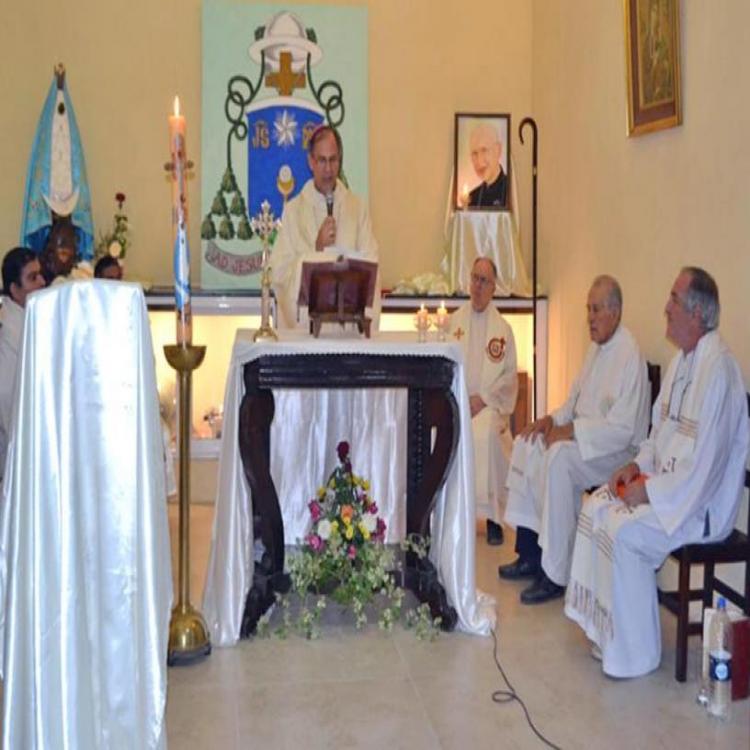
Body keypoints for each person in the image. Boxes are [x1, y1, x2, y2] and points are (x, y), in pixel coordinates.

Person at [565, 268, 749, 678]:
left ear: (697, 314)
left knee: (626, 532)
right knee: (598, 507)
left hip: (700, 507)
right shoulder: (684, 362)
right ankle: (607, 631)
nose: (666, 308)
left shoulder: (719, 372)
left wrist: (649, 492)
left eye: (674, 301)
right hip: (670, 490)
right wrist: (635, 467)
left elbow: (706, 469)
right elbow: (657, 434)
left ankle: (637, 653)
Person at [500, 275, 650, 604]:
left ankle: (556, 573)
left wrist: (571, 432)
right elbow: (574, 402)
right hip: (585, 443)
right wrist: (550, 420)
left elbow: (623, 429)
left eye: (596, 310)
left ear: (616, 311)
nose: (590, 318)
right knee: (529, 442)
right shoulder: (595, 350)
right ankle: (529, 554)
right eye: (588, 310)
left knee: (558, 459)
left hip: (615, 453)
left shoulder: (630, 356)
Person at [272, 125, 379, 329]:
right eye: (322, 160)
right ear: (310, 162)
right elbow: (280, 274)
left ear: (340, 160)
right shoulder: (293, 211)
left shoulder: (357, 209)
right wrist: (316, 250)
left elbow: (372, 265)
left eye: (333, 160)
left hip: (349, 335)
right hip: (309, 335)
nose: (328, 169)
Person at [450, 257, 517, 545]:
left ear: (493, 288)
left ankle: (492, 519)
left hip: (488, 407)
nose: (477, 286)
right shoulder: (452, 323)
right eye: (474, 278)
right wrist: (460, 397)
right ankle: (457, 513)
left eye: (484, 281)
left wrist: (484, 399)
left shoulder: (503, 330)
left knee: (487, 433)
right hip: (458, 401)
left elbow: (509, 378)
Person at [0, 247, 46, 481]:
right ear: (15, 290)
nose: (42, 282)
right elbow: (7, 396)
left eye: (40, 274)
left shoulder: (28, 319)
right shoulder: (8, 330)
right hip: (18, 450)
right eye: (32, 277)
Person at [467, 123, 508, 209]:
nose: (479, 160)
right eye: (474, 153)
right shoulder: (472, 198)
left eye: (484, 150)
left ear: (498, 150)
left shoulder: (511, 190)